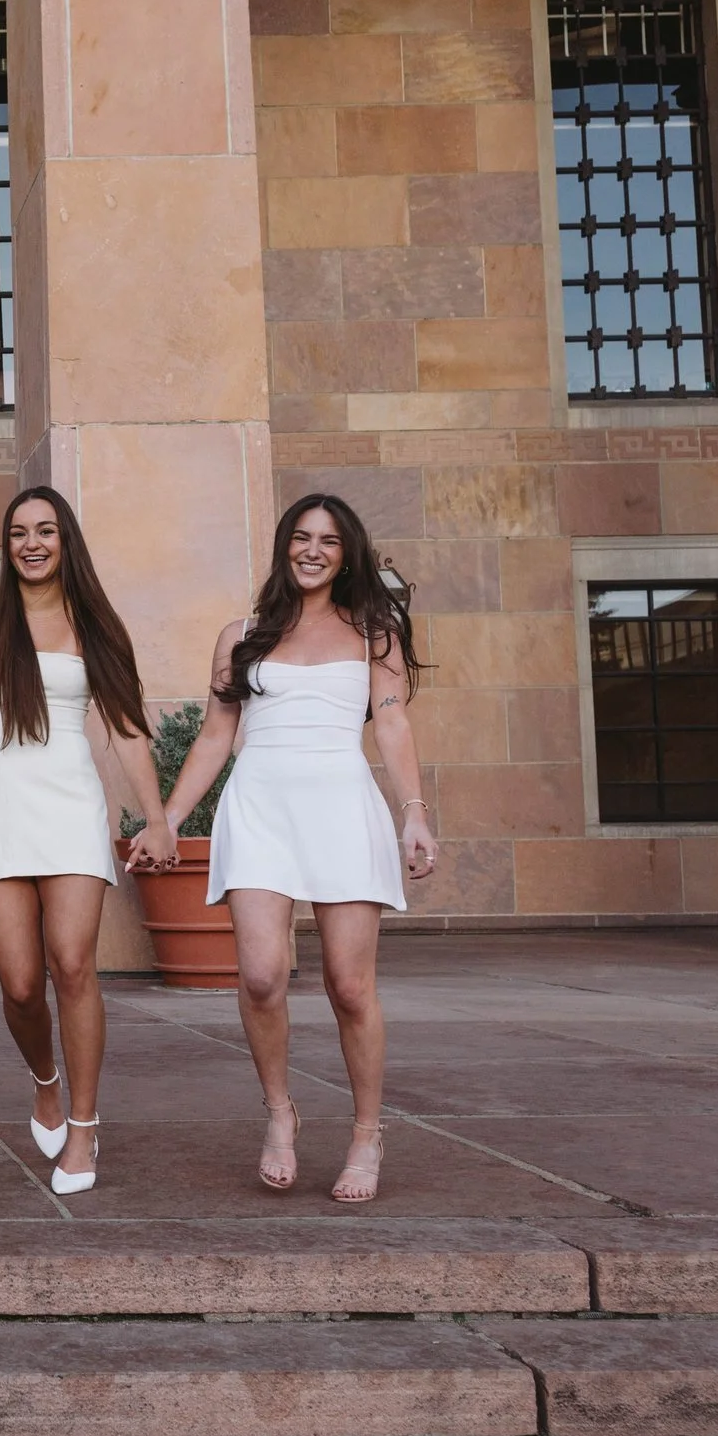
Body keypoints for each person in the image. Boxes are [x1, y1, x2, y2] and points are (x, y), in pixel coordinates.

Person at [158, 493, 436, 1202]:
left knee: (349, 986)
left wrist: (414, 814)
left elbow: (393, 728)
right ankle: (280, 1112)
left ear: (349, 556)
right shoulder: (242, 633)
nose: (313, 551)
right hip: (260, 808)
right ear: (285, 545)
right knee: (259, 976)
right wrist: (168, 819)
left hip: (342, 806)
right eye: (302, 538)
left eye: (330, 542)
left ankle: (367, 1133)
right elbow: (217, 736)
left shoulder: (374, 632)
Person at [0, 486, 179, 1195]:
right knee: (22, 983)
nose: (32, 542)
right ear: (7, 544)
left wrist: (156, 816)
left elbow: (126, 729)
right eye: (20, 531)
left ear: (66, 542)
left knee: (72, 965)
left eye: (46, 531)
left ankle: (83, 1129)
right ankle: (46, 1080)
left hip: (70, 810)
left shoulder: (95, 625)